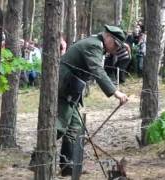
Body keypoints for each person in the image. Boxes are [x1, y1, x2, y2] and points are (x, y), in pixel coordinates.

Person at [29, 25, 129, 176]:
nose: (116, 49)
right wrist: (115, 92)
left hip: (71, 88)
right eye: (115, 44)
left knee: (75, 127)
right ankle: (38, 160)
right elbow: (97, 70)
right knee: (60, 125)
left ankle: (68, 165)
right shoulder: (94, 45)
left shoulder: (97, 45)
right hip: (65, 87)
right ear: (108, 37)